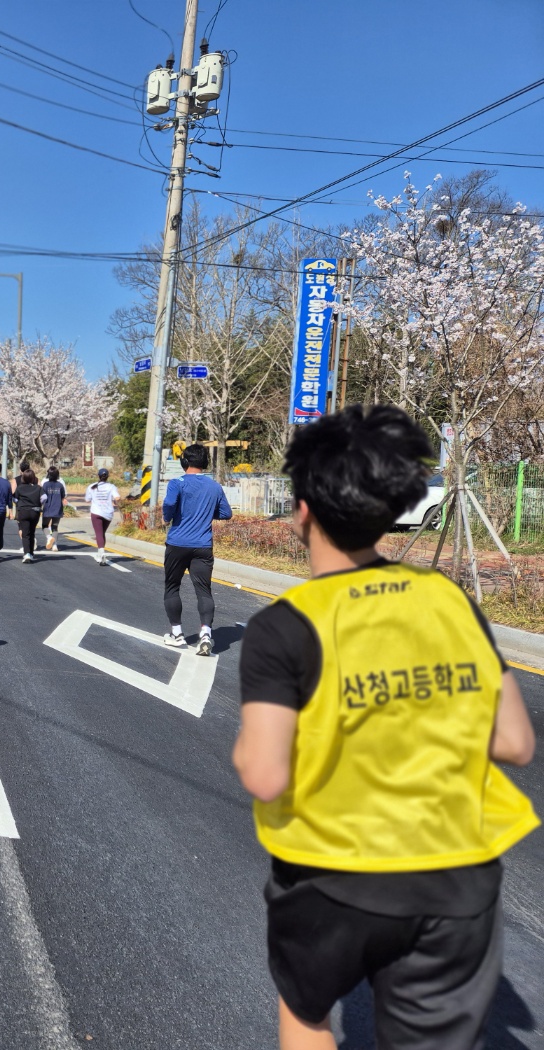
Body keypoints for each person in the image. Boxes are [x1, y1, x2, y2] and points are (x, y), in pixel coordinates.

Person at [233, 405, 537, 1050]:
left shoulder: (284, 626)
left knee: (308, 1012)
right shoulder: (450, 601)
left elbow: (264, 774)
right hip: (459, 868)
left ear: (303, 512)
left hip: (330, 872)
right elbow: (514, 742)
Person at [161, 443, 232, 655]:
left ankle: (176, 634)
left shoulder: (177, 483)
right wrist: (207, 513)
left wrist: (168, 517)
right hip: (203, 545)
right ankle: (206, 634)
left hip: (177, 544)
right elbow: (226, 513)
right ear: (205, 463)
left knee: (172, 587)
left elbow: (169, 504)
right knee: (204, 590)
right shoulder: (214, 486)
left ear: (184, 461)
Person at [85, 467, 120, 564]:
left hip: (96, 512)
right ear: (107, 477)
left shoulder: (92, 486)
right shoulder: (111, 487)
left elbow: (87, 499)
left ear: (98, 476)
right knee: (101, 533)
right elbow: (117, 497)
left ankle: (102, 552)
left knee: (99, 533)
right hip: (108, 513)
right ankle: (100, 553)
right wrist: (115, 501)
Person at [13, 467, 44, 563]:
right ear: (33, 478)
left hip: (23, 512)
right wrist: (38, 503)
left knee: (25, 534)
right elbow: (44, 498)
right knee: (32, 532)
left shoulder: (20, 488)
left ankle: (27, 554)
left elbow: (15, 499)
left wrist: (19, 504)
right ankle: (31, 553)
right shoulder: (38, 488)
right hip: (35, 512)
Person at [41, 466, 68, 551]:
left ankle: (49, 537)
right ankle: (55, 545)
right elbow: (63, 496)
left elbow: (42, 496)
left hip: (48, 508)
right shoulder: (60, 485)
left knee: (44, 525)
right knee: (55, 527)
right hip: (58, 509)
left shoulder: (45, 485)